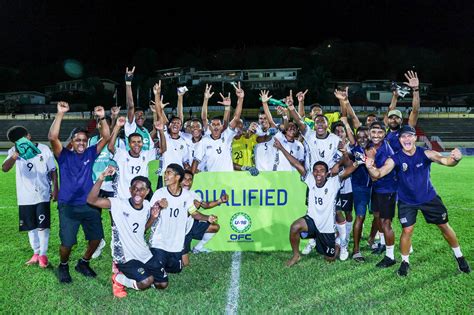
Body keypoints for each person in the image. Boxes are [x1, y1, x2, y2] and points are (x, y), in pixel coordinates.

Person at [366, 125, 470, 276]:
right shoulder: (395, 158)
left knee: (444, 226)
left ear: (415, 138)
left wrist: (456, 159)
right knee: (407, 230)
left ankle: (459, 256)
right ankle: (405, 262)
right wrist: (370, 167)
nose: (406, 139)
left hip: (429, 197)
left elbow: (446, 161)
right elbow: (379, 173)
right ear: (400, 140)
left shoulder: (426, 153)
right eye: (403, 136)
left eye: (409, 136)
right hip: (407, 201)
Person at [48, 101, 110, 283]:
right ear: (72, 142)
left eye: (84, 140)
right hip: (68, 206)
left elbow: (106, 136)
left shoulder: (91, 153)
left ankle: (83, 262)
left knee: (96, 239)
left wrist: (103, 116)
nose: (81, 142)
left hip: (89, 204)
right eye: (78, 140)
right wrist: (60, 113)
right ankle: (64, 265)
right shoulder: (63, 155)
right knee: (67, 243)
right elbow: (52, 137)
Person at [274, 138, 358, 266]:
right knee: (295, 227)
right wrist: (280, 148)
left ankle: (337, 245)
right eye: (316, 170)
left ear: (326, 173)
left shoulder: (334, 182)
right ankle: (296, 256)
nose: (318, 173)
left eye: (321, 171)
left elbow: (349, 169)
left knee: (329, 259)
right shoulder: (310, 179)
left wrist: (359, 162)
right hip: (312, 222)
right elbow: (296, 164)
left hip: (327, 228)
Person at [87, 167, 166, 297]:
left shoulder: (147, 205)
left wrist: (152, 217)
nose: (137, 192)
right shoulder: (117, 204)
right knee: (147, 281)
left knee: (162, 284)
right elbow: (91, 200)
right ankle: (118, 278)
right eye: (134, 188)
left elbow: (141, 230)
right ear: (130, 190)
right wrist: (102, 177)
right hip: (125, 256)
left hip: (142, 252)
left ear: (147, 192)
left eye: (142, 189)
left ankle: (139, 271)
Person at [148, 164, 217, 287]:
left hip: (176, 243)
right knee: (161, 284)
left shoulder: (186, 195)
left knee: (177, 269)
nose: (165, 176)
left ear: (177, 177)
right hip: (159, 242)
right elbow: (149, 214)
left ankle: (157, 265)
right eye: (165, 173)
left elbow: (194, 213)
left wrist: (207, 218)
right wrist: (158, 206)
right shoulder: (160, 193)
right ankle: (151, 265)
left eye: (169, 173)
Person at [2, 126, 58, 268]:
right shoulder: (14, 151)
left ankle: (43, 255)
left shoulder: (44, 149)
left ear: (29, 136)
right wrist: (15, 155)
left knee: (43, 226)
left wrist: (55, 188)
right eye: (16, 142)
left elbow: (53, 170)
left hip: (42, 194)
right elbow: (5, 168)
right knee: (31, 226)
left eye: (22, 139)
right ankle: (36, 253)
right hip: (24, 196)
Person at [191, 82, 244, 173]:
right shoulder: (205, 140)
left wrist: (240, 98)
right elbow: (196, 161)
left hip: (228, 177)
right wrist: (191, 177)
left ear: (222, 126)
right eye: (213, 124)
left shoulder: (227, 136)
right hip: (213, 179)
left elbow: (236, 118)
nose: (215, 126)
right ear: (209, 127)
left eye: (218, 124)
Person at [366, 122, 398, 266]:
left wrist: (370, 159)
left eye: (379, 132)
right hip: (377, 189)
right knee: (378, 217)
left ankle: (390, 256)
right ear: (369, 133)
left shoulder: (386, 151)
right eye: (373, 132)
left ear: (384, 134)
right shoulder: (371, 146)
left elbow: (374, 176)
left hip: (387, 190)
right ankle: (383, 244)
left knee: (386, 223)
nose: (376, 135)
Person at [181, 170, 227, 266]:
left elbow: (206, 205)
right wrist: (205, 216)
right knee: (184, 264)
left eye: (190, 180)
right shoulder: (174, 194)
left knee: (214, 227)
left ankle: (198, 248)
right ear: (179, 179)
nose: (188, 182)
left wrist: (220, 201)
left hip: (190, 226)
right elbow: (191, 214)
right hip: (178, 232)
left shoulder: (192, 194)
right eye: (185, 179)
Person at [384, 71, 420, 153]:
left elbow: (415, 111)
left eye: (397, 118)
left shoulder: (406, 130)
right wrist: (395, 97)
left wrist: (415, 90)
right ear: (387, 120)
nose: (393, 119)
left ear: (401, 120)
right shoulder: (384, 132)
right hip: (388, 164)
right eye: (391, 118)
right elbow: (390, 109)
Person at [124, 66, 153, 151]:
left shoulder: (145, 131)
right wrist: (128, 83)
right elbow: (130, 106)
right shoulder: (130, 127)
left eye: (142, 114)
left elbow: (150, 149)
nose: (140, 117)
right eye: (137, 114)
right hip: (131, 162)